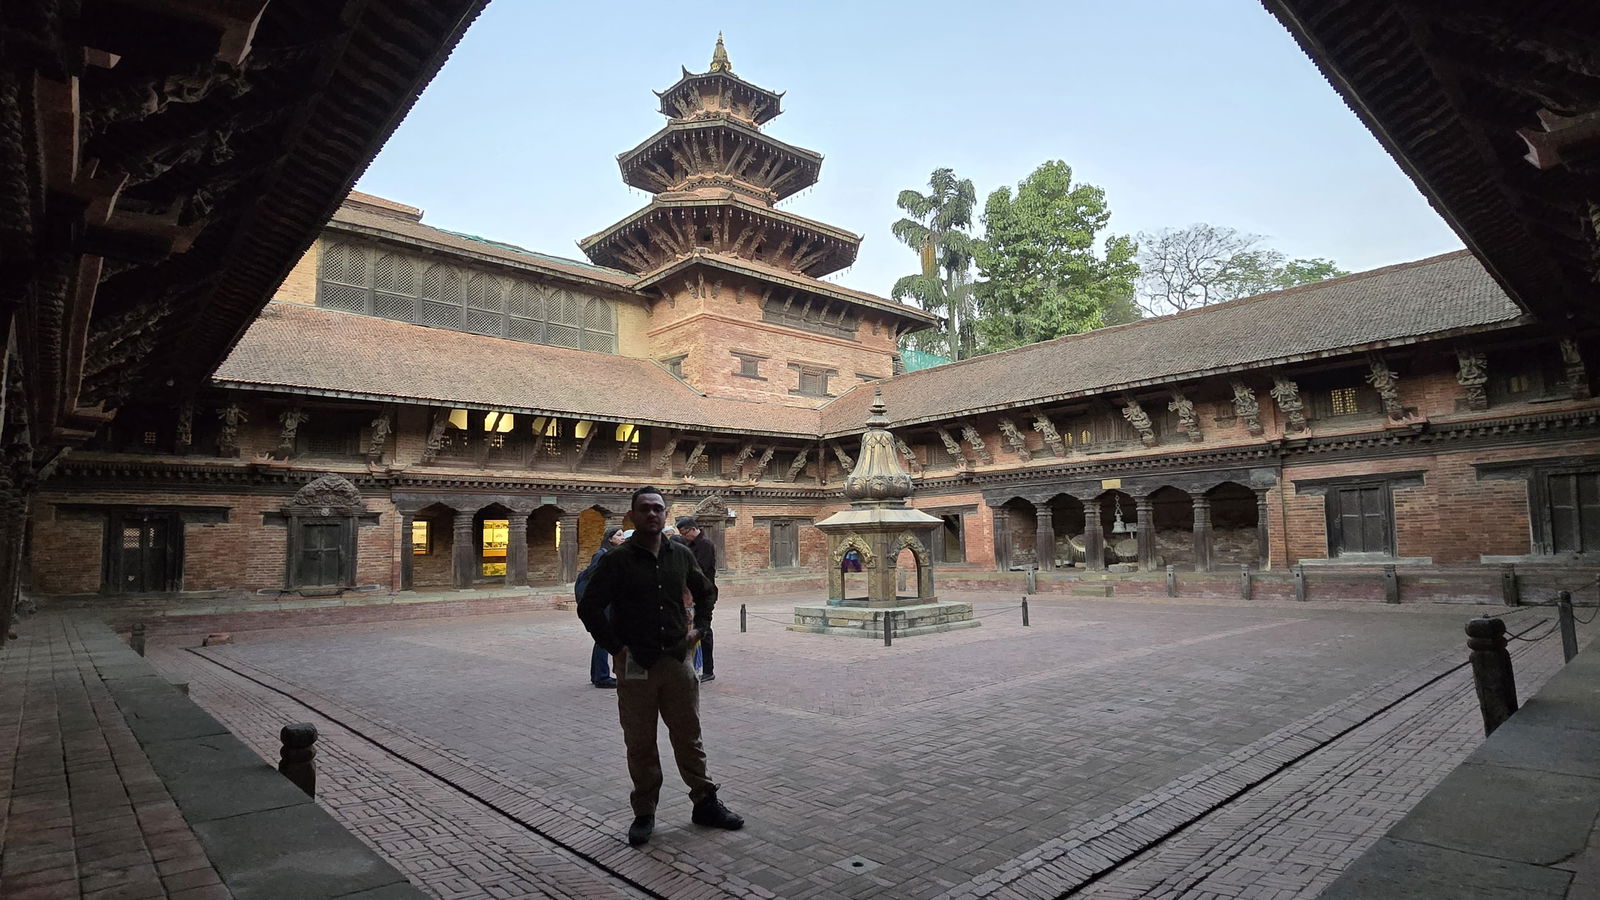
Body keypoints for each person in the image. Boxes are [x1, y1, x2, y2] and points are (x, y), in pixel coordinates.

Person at [577, 487, 743, 846]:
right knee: (640, 741)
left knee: (689, 735)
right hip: (635, 662)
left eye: (658, 508)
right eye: (645, 509)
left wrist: (700, 629)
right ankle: (645, 811)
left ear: (665, 514)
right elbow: (589, 606)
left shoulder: (680, 555)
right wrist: (615, 648)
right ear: (633, 515)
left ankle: (705, 801)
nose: (652, 514)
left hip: (677, 659)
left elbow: (706, 591)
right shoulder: (617, 560)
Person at [576, 525, 626, 688]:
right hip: (603, 603)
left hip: (608, 601)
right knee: (603, 638)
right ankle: (601, 676)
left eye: (623, 535)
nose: (622, 538)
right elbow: (596, 578)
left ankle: (598, 675)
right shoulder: (602, 555)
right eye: (619, 535)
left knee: (603, 639)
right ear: (610, 538)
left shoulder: (612, 554)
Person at [675, 517, 718, 682]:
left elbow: (700, 570)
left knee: (704, 629)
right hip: (691, 595)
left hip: (703, 594)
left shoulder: (705, 545)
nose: (684, 536)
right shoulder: (690, 545)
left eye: (685, 533)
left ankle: (708, 669)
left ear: (693, 529)